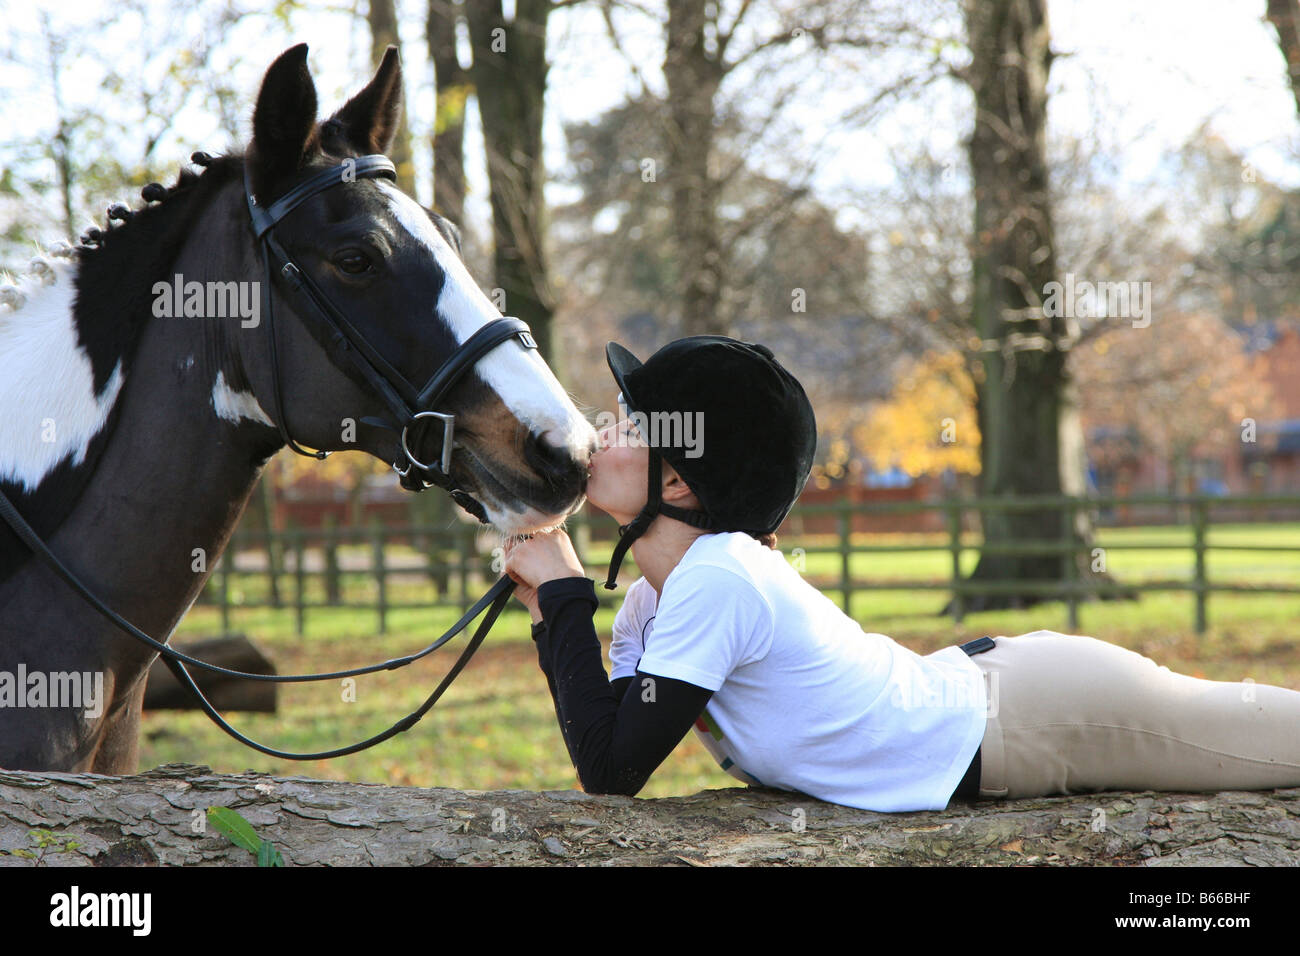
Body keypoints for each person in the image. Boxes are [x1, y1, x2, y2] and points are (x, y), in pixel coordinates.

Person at [503, 336, 1300, 812]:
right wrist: (551, 604)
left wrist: (568, 593)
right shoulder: (653, 602)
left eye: (627, 420)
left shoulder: (721, 579)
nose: (599, 429)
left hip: (1037, 716)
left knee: (1276, 744)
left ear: (677, 482)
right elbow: (604, 747)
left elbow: (612, 774)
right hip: (993, 698)